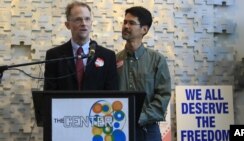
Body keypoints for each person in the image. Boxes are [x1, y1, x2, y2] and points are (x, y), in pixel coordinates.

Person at [116, 6, 171, 141]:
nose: (126, 26)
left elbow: (163, 95)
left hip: (148, 130)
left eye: (132, 23)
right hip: (119, 128)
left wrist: (141, 117)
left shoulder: (157, 60)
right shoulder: (114, 60)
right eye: (125, 22)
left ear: (144, 30)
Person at [44, 1, 118, 90]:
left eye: (87, 19)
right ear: (68, 25)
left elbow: (112, 94)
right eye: (78, 19)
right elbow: (49, 94)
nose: (84, 23)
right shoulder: (54, 55)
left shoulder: (108, 56)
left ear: (91, 23)